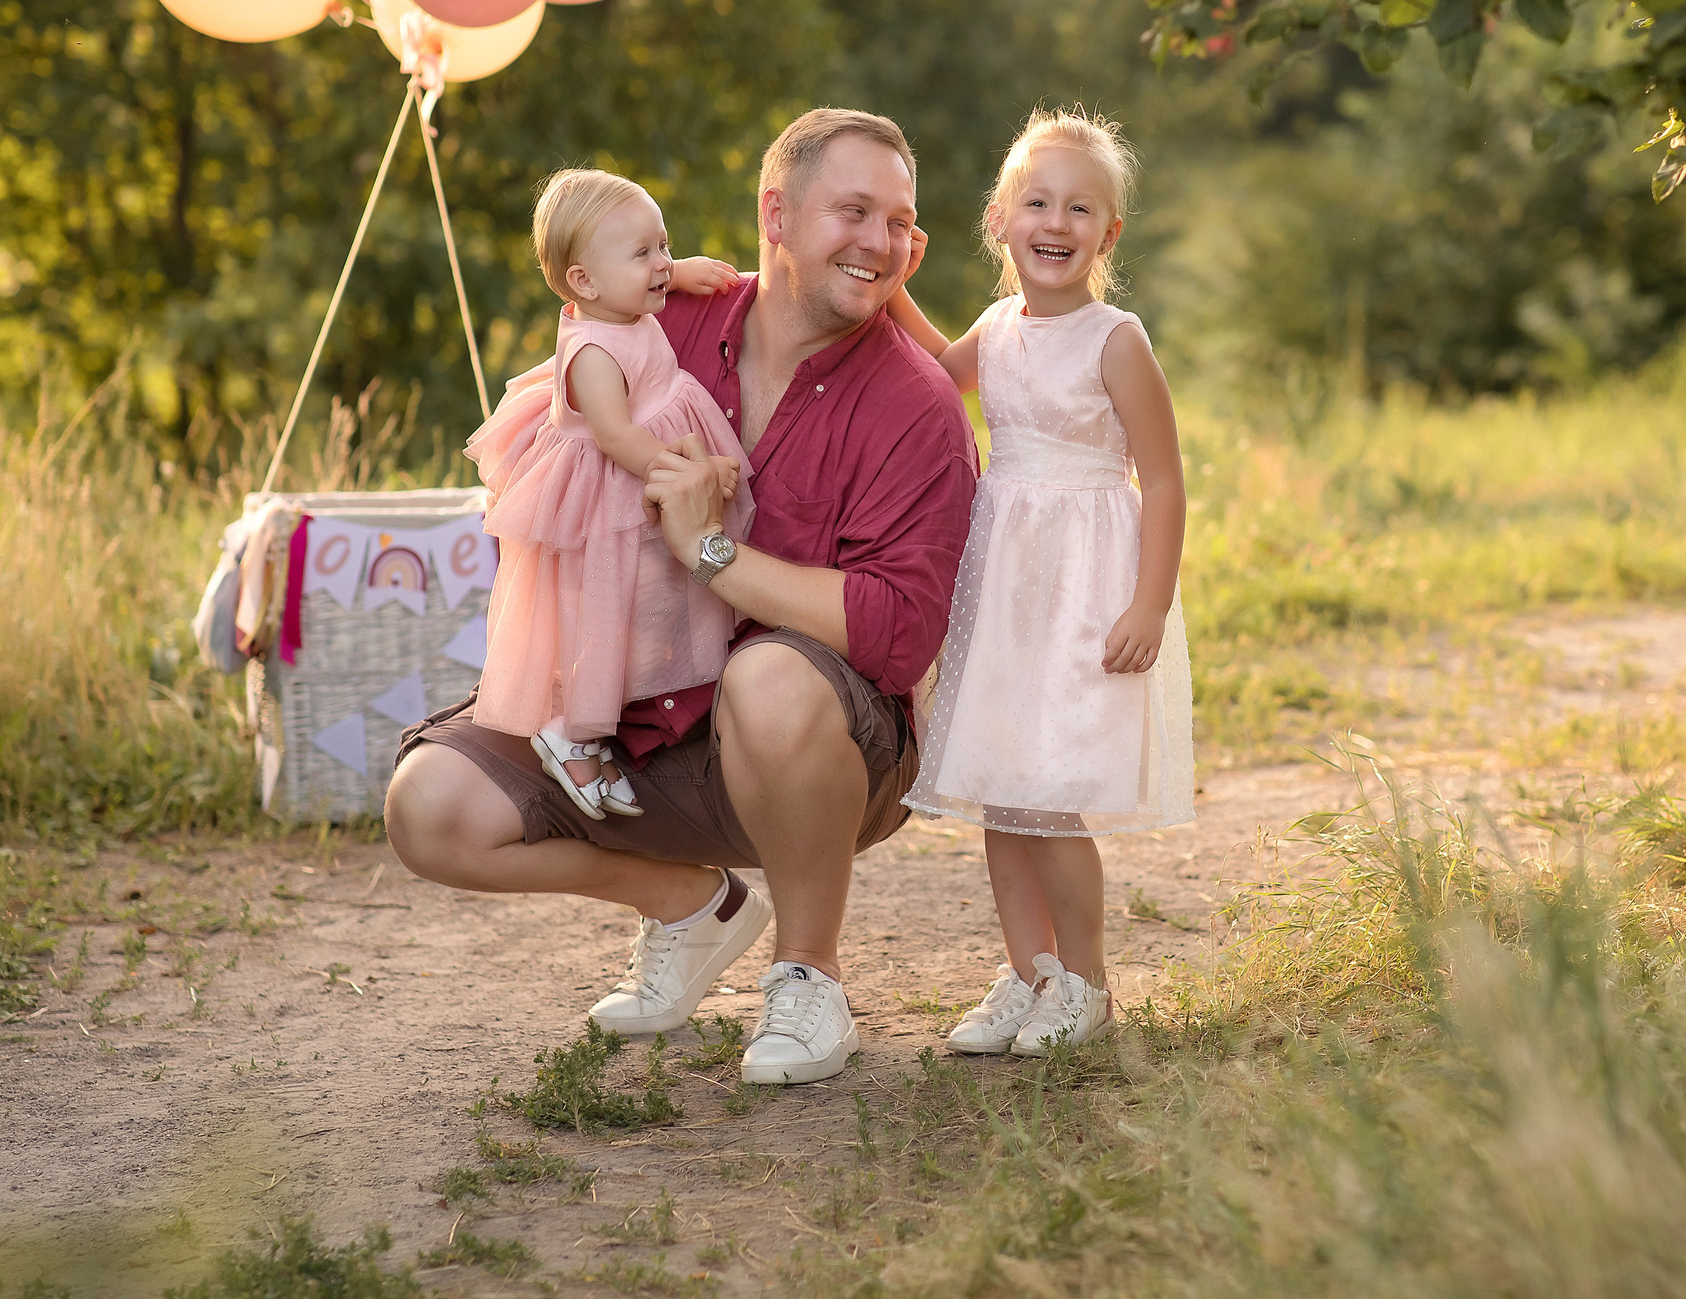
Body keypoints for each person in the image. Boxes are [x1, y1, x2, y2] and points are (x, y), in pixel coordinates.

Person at [385, 108, 978, 1087]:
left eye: (900, 220)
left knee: (769, 679)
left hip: (817, 751)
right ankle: (688, 906)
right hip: (630, 717)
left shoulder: (913, 403)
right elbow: (573, 365)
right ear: (775, 213)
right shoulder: (668, 317)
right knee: (432, 807)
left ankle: (808, 976)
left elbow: (899, 632)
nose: (880, 242)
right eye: (854, 211)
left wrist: (709, 553)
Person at [885, 107, 1194, 1057]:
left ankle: (1089, 985)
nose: (1054, 221)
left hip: (1084, 589)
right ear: (1000, 220)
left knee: (1052, 792)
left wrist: (1148, 601)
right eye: (1036, 202)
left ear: (1108, 232)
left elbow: (1165, 476)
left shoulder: (1116, 338)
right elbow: (941, 376)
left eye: (1079, 207)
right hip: (1005, 583)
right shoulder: (998, 324)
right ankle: (1032, 974)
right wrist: (894, 283)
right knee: (1000, 788)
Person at [462, 169, 752, 822]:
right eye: (644, 254)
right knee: (614, 613)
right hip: (614, 494)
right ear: (584, 283)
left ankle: (622, 720)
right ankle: (571, 728)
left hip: (640, 481)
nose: (662, 263)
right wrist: (696, 470)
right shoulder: (593, 352)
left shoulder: (616, 302)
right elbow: (619, 437)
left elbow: (646, 274)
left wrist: (682, 272)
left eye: (664, 244)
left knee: (653, 610)